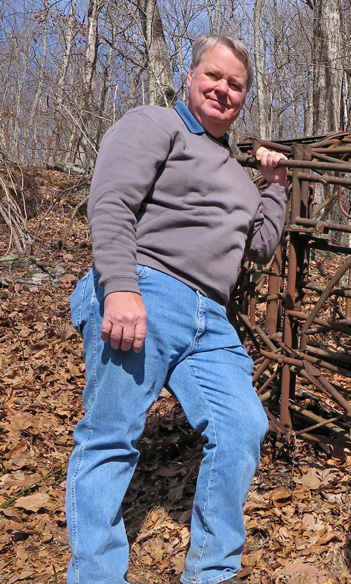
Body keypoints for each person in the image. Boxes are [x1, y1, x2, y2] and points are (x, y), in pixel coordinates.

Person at [66, 34, 288, 584]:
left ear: (245, 99)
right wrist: (119, 287)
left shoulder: (237, 174)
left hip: (210, 317)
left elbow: (257, 247)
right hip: (145, 286)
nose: (222, 89)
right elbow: (111, 199)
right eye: (213, 76)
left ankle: (211, 572)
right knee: (111, 435)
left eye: (236, 85)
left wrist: (276, 188)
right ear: (190, 77)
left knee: (242, 425)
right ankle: (94, 574)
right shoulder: (155, 124)